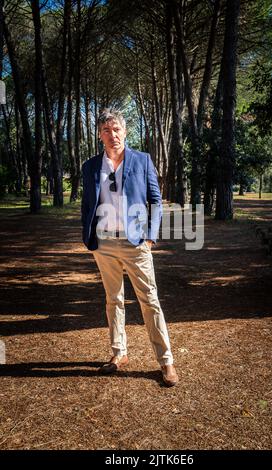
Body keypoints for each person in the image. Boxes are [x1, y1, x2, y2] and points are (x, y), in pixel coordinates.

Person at [81, 108, 178, 387]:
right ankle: (118, 354)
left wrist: (150, 236)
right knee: (114, 300)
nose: (112, 135)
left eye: (117, 130)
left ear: (125, 131)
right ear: (100, 135)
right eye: (106, 131)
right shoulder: (90, 166)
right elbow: (89, 204)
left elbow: (156, 201)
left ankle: (166, 361)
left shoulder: (142, 160)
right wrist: (89, 238)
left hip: (136, 243)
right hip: (105, 243)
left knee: (150, 300)